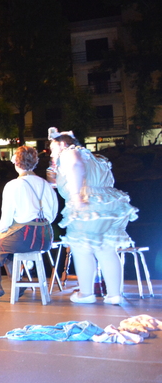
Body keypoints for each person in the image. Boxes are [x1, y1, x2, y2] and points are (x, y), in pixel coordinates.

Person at [47, 127, 138, 305]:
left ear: (63, 144)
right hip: (111, 204)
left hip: (89, 203)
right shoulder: (95, 157)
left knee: (82, 248)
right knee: (106, 249)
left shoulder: (69, 153)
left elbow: (75, 165)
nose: (51, 151)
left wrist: (75, 196)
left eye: (52, 148)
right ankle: (114, 294)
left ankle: (86, 293)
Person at [0, 146, 58, 301]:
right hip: (46, 238)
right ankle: (19, 283)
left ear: (16, 163)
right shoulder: (46, 184)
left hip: (24, 238)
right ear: (35, 163)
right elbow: (53, 214)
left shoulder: (13, 185)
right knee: (5, 244)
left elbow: (6, 221)